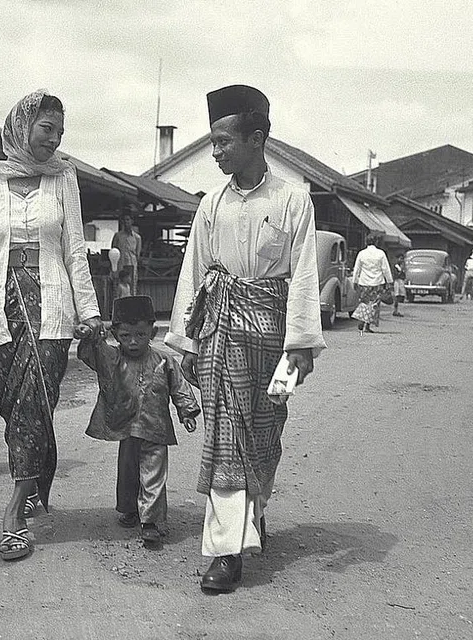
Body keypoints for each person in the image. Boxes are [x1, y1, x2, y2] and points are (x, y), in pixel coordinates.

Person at [165, 84, 326, 593]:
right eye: (210, 143)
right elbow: (194, 273)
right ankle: (225, 552)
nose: (214, 153)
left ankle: (254, 514)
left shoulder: (294, 200)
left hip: (272, 335)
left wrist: (300, 344)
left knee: (264, 435)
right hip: (217, 332)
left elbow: (302, 274)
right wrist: (186, 343)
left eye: (221, 143)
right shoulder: (210, 204)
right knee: (225, 439)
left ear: (256, 140)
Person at [0, 90, 103, 562]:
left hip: (50, 310)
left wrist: (88, 312)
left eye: (60, 132)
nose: (53, 140)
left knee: (35, 403)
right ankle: (32, 487)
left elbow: (74, 250)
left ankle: (14, 510)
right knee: (16, 407)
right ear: (23, 126)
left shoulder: (64, 178)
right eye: (46, 128)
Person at [77, 295, 200, 547]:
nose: (133, 342)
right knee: (128, 471)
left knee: (154, 474)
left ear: (152, 333)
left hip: (156, 428)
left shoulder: (165, 361)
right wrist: (90, 335)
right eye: (125, 336)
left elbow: (179, 387)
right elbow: (89, 354)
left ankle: (151, 522)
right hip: (125, 427)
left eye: (141, 335)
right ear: (114, 334)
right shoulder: (111, 358)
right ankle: (130, 509)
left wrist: (186, 411)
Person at [351, 233, 393, 332]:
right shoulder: (381, 253)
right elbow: (385, 269)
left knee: (364, 302)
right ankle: (367, 326)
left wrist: (355, 281)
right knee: (374, 304)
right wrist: (389, 281)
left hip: (364, 282)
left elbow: (357, 268)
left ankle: (362, 319)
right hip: (377, 283)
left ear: (366, 242)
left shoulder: (361, 253)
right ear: (376, 242)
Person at [111, 209, 142, 294]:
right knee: (119, 287)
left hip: (131, 265)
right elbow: (113, 252)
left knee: (132, 287)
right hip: (120, 265)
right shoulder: (118, 236)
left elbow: (137, 254)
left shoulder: (137, 238)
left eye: (128, 220)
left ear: (132, 221)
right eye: (124, 220)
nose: (126, 222)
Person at [391, 252, 406, 317]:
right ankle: (395, 310)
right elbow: (396, 275)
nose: (402, 260)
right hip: (397, 281)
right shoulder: (395, 266)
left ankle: (397, 310)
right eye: (401, 258)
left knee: (401, 295)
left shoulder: (402, 266)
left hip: (401, 281)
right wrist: (400, 271)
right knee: (396, 295)